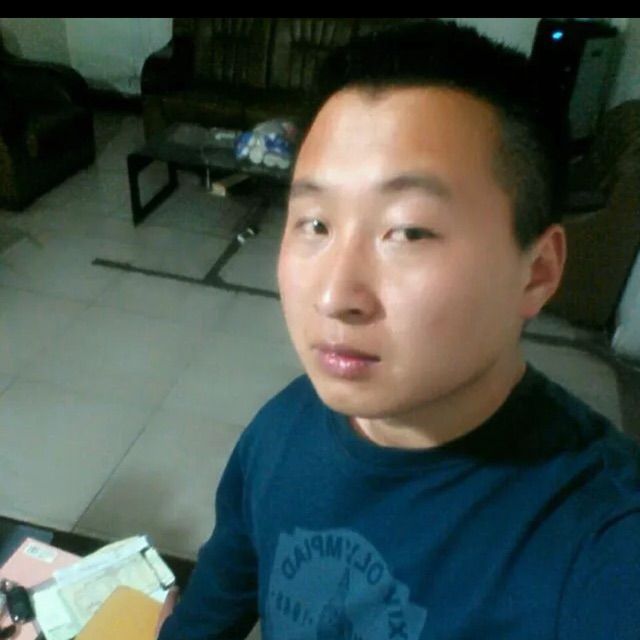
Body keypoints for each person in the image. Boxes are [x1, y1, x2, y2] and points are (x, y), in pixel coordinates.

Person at [158, 19, 640, 639]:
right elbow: (204, 618)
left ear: (538, 271)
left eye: (408, 231)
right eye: (315, 224)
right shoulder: (280, 432)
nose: (335, 296)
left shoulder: (602, 544)